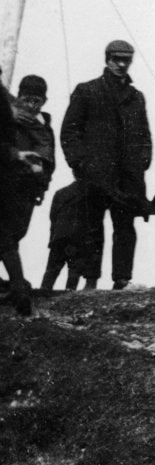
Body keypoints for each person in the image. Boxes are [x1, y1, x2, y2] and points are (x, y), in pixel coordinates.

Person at [60, 40, 152, 290]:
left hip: (127, 176)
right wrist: (79, 162)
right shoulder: (87, 90)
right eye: (116, 59)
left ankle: (122, 279)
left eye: (126, 60)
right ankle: (91, 280)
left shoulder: (136, 98)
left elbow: (145, 136)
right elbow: (69, 131)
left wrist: (142, 162)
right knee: (91, 227)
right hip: (95, 173)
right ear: (107, 59)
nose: (121, 64)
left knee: (125, 227)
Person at [0, 76, 56, 301]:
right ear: (18, 97)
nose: (31, 105)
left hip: (28, 190)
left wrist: (42, 187)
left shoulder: (43, 126)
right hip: (8, 184)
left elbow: (48, 161)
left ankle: (17, 284)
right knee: (5, 236)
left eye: (37, 101)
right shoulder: (9, 118)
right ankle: (18, 287)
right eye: (27, 99)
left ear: (43, 101)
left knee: (14, 236)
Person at [40, 182, 88, 291]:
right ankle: (69, 293)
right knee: (74, 270)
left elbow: (53, 217)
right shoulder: (87, 193)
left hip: (58, 236)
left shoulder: (60, 192)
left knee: (51, 271)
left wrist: (52, 238)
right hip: (77, 236)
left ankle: (43, 291)